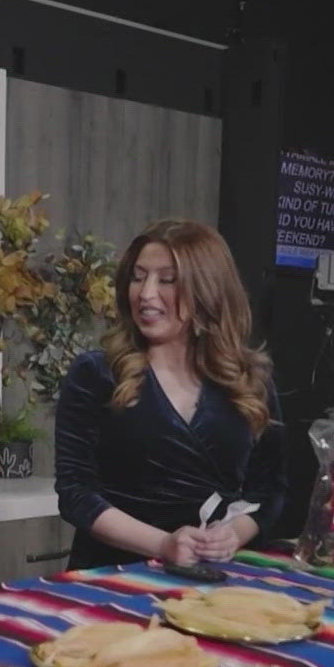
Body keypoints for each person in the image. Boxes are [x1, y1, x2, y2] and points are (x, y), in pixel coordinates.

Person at [53, 218, 286, 570]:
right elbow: (75, 494)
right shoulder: (96, 373)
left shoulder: (249, 381)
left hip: (215, 578)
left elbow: (269, 491)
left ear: (207, 291)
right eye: (138, 276)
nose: (146, 294)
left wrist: (233, 535)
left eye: (167, 280)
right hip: (112, 576)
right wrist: (163, 544)